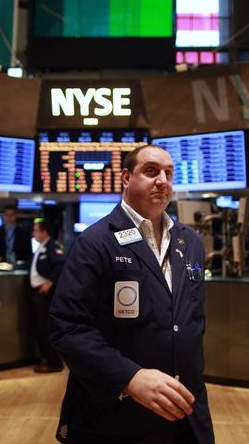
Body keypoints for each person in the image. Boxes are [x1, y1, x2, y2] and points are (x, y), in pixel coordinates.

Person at [50, 145, 214, 443]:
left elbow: (191, 321)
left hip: (185, 414)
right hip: (116, 417)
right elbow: (67, 328)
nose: (162, 180)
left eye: (168, 173)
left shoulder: (190, 242)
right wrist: (129, 377)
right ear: (126, 177)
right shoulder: (95, 241)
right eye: (151, 171)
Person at [30, 219, 65, 374]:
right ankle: (48, 360)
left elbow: (61, 265)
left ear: (45, 232)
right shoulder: (42, 246)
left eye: (36, 230)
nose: (34, 233)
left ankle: (54, 363)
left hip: (47, 295)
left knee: (46, 329)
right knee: (40, 328)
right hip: (38, 294)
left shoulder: (53, 246)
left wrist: (49, 282)